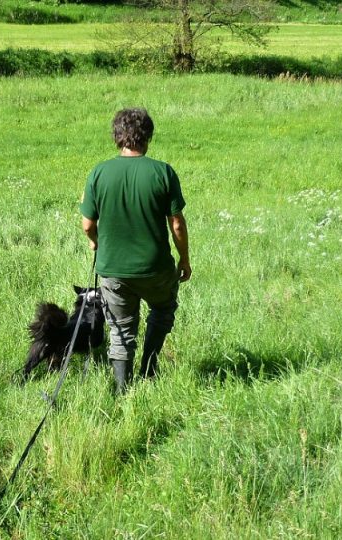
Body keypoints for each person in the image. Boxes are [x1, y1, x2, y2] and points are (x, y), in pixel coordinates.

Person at [79, 108, 191, 395]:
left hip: (113, 270)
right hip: (156, 269)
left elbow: (87, 224)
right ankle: (149, 368)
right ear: (148, 136)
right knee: (163, 310)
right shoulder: (162, 172)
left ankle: (121, 391)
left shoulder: (99, 172)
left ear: (117, 137)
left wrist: (95, 242)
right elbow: (176, 224)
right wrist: (184, 260)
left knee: (120, 331)